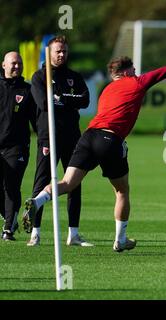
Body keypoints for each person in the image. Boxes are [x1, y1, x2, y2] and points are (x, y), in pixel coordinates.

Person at [23, 56, 166, 252]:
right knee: (122, 191)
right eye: (133, 69)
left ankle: (37, 200)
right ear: (125, 72)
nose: (136, 72)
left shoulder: (106, 89)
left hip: (87, 136)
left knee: (67, 183)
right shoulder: (136, 82)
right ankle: (120, 240)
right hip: (110, 139)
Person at [26, 35, 91, 247]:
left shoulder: (74, 76)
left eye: (64, 51)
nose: (61, 54)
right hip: (49, 136)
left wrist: (62, 98)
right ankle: (35, 232)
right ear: (49, 52)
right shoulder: (39, 77)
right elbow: (45, 103)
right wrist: (66, 100)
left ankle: (74, 234)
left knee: (74, 182)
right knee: (42, 180)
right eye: (57, 51)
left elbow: (85, 100)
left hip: (73, 136)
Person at [0, 52, 37, 241]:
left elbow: (37, 121)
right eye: (13, 63)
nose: (17, 67)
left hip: (17, 148)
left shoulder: (27, 91)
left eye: (20, 64)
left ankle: (8, 229)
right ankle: (11, 218)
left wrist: (45, 140)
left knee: (11, 185)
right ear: (3, 65)